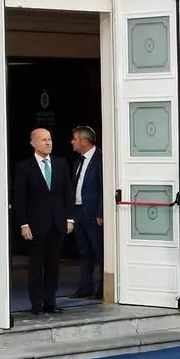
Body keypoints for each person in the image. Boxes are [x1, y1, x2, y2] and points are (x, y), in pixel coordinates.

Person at [13, 128, 75, 315]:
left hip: (57, 224)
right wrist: (24, 224)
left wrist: (69, 218)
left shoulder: (60, 163)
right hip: (35, 225)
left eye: (49, 139)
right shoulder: (25, 167)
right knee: (36, 265)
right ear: (33, 143)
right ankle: (36, 304)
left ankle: (50, 302)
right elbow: (19, 198)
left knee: (53, 265)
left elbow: (67, 193)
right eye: (43, 140)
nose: (48, 143)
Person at [69, 126, 104, 300]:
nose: (72, 142)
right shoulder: (77, 162)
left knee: (99, 252)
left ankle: (103, 287)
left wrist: (101, 212)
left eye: (74, 139)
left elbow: (104, 187)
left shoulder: (101, 159)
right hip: (78, 211)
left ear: (84, 141)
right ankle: (85, 287)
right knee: (84, 251)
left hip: (93, 214)